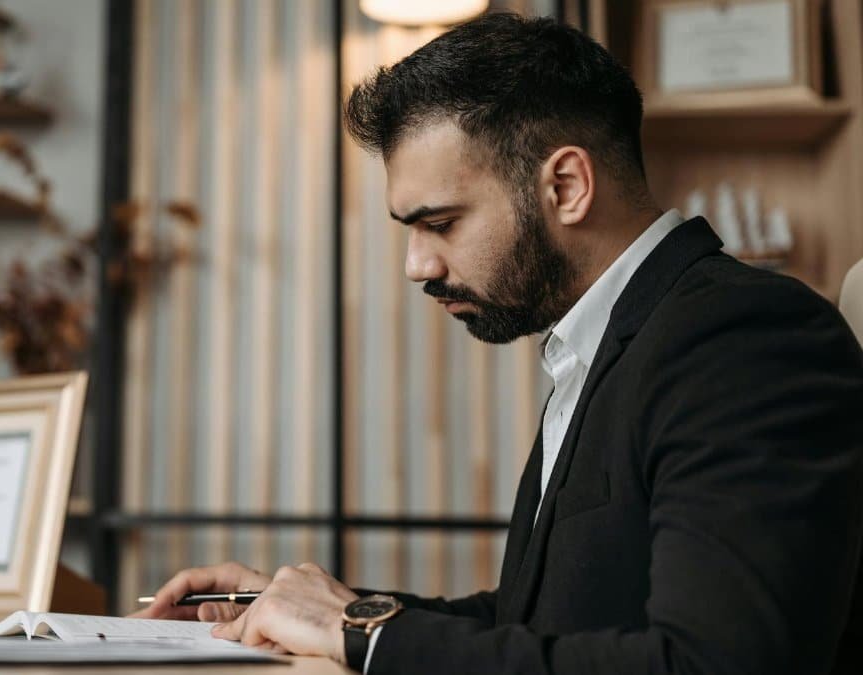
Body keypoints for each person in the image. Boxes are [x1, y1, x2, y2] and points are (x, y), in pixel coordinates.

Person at [132, 12, 863, 674]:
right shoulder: (605, 341)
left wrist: (358, 632)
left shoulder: (744, 337)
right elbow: (541, 624)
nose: (417, 265)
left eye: (441, 222)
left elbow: (712, 663)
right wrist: (322, 610)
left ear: (568, 185)